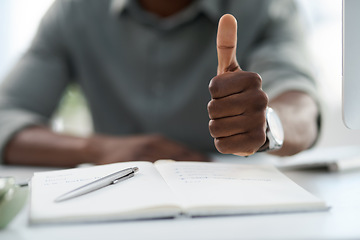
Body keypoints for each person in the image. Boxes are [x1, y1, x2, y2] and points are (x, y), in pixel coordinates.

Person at [0, 0, 320, 167]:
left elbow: (301, 106)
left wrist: (267, 126)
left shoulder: (265, 6)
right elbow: (6, 116)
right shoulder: (75, 11)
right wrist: (98, 148)